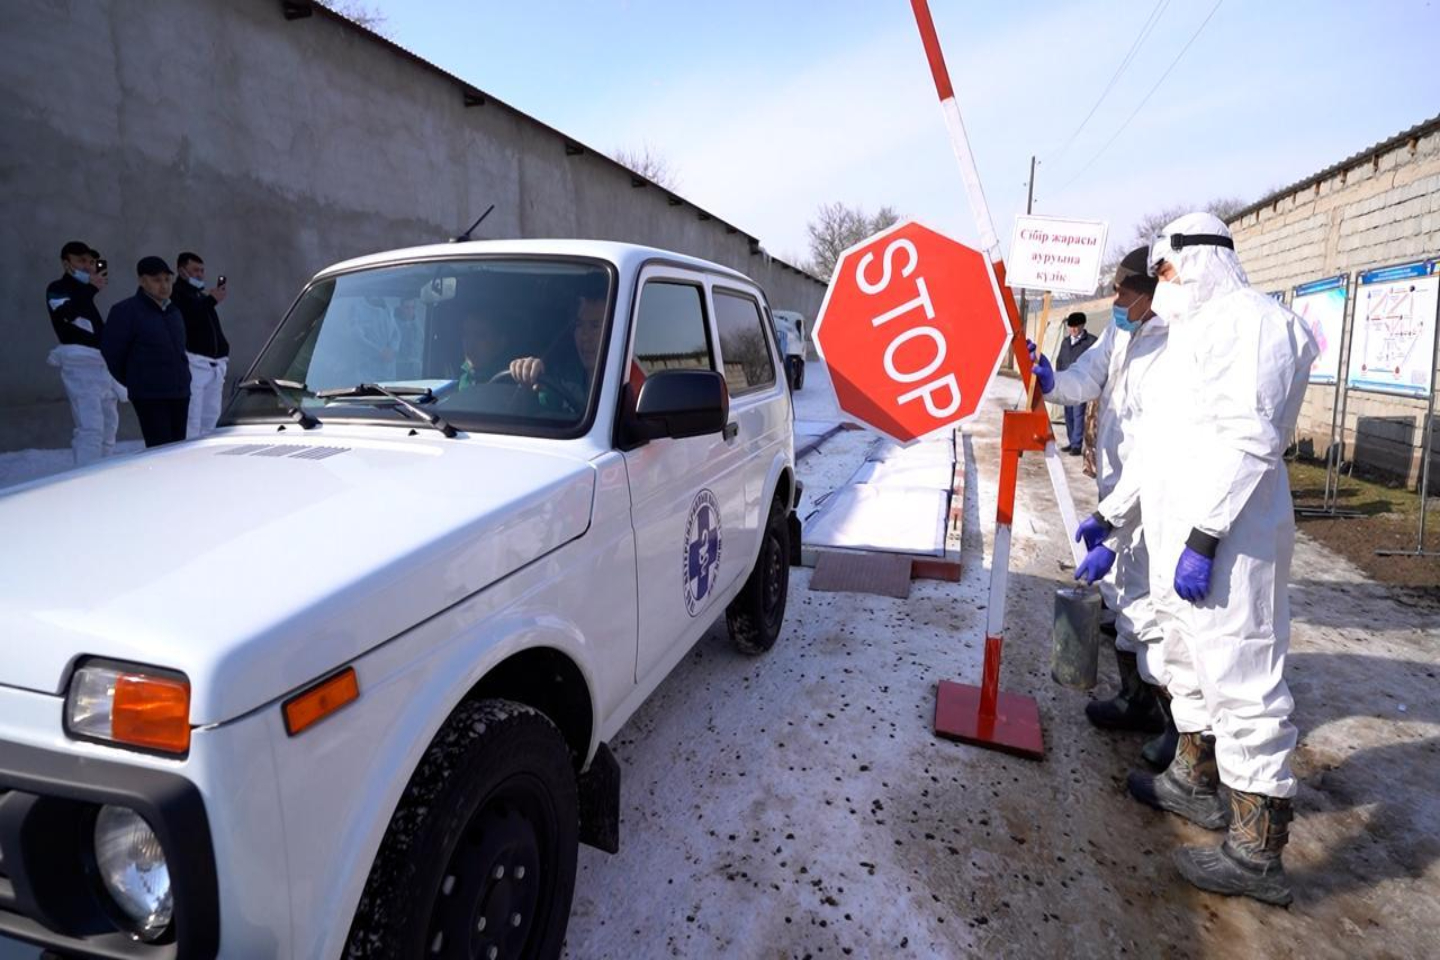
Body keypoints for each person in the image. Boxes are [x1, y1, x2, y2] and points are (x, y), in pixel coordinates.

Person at [1080, 212, 1319, 905]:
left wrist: (1207, 536)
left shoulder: (1255, 323)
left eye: (1164, 270)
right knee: (1187, 662)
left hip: (1230, 547)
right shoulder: (1186, 340)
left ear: (1200, 259)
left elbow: (1251, 443)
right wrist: (1108, 517)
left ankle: (1255, 856)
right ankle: (1194, 781)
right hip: (1177, 536)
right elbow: (1152, 449)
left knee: (1244, 683)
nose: (1161, 286)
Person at [1029, 248, 1175, 766]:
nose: (1114, 300)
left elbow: (1160, 449)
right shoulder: (1123, 333)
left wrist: (1115, 527)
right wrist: (1051, 382)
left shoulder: (1177, 344)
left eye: (1122, 291)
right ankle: (1138, 700)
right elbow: (1088, 377)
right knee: (1124, 602)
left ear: (1150, 293)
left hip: (1154, 499)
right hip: (1117, 491)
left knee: (1155, 611)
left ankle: (1178, 727)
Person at [46, 239, 123, 465]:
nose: (87, 266)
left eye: (91, 261)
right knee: (91, 428)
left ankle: (104, 471)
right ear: (66, 263)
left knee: (109, 425)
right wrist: (90, 288)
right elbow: (65, 313)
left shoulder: (85, 293)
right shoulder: (57, 288)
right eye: (81, 260)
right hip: (80, 366)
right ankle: (86, 477)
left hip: (101, 365)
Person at [101, 257, 192, 448]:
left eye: (167, 280)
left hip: (179, 392)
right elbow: (113, 353)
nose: (164, 285)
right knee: (160, 449)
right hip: (150, 395)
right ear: (142, 281)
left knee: (178, 448)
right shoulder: (126, 311)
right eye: (157, 280)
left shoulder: (174, 311)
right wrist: (137, 380)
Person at [173, 251, 231, 438]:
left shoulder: (199, 295)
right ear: (182, 271)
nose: (200, 274)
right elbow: (189, 319)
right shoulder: (178, 294)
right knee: (193, 418)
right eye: (195, 270)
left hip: (215, 364)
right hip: (195, 364)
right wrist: (211, 301)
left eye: (202, 270)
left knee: (211, 418)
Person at [1055, 312, 1096, 454]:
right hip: (1066, 383)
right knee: (1068, 414)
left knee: (1078, 414)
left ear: (1082, 325)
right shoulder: (1066, 342)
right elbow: (1060, 360)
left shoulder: (1090, 342)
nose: (1072, 329)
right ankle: (1072, 441)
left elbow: (1095, 362)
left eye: (1075, 326)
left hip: (1080, 384)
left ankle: (1077, 445)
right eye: (1070, 326)